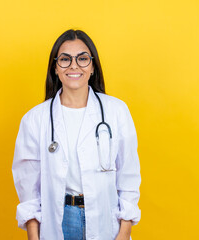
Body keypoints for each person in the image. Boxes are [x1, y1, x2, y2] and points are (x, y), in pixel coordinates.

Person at [12, 29, 141, 240]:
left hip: (105, 219)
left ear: (92, 67)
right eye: (65, 59)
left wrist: (124, 232)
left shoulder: (116, 111)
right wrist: (34, 238)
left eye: (82, 59)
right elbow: (28, 188)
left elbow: (128, 177)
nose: (74, 65)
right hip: (58, 220)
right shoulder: (35, 119)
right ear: (55, 68)